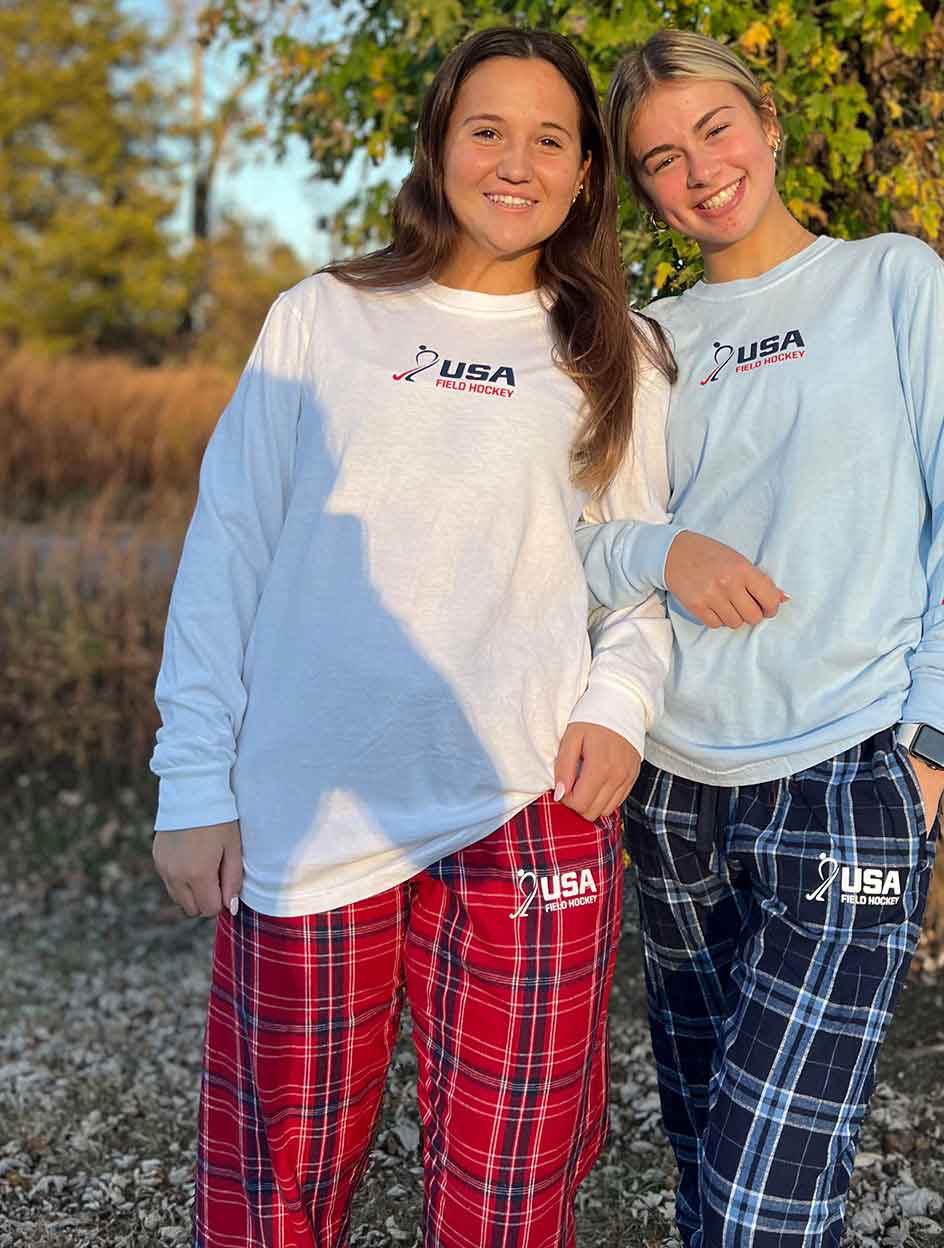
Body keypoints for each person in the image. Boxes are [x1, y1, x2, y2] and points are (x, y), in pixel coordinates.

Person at [149, 28, 679, 1248]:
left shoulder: (620, 354)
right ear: (439, 146)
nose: (515, 162)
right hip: (312, 807)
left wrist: (620, 705)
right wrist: (193, 779)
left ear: (587, 174)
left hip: (528, 799)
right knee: (276, 1182)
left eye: (550, 139)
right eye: (486, 130)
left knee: (511, 1186)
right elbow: (228, 551)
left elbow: (637, 573)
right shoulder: (323, 318)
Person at [575, 29, 944, 1246]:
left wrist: (930, 746)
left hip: (850, 776)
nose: (701, 169)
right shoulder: (650, 341)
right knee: (705, 1154)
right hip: (676, 791)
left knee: (760, 1197)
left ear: (768, 123)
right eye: (661, 158)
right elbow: (571, 545)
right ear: (643, 189)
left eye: (715, 128)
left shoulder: (892, 281)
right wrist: (664, 552)